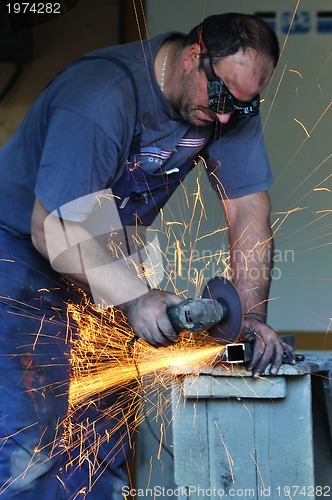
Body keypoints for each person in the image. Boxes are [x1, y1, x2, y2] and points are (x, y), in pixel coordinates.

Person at [0, 12, 295, 498]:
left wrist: (247, 317)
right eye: (220, 99)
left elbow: (248, 211)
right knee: (28, 430)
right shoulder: (99, 96)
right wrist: (136, 297)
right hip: (18, 262)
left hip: (103, 253)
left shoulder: (229, 103)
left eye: (241, 107)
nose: (225, 118)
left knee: (101, 425)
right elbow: (50, 227)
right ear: (193, 57)